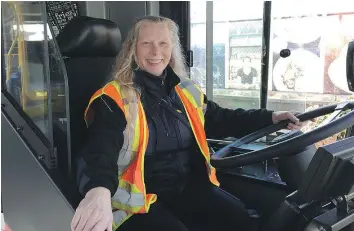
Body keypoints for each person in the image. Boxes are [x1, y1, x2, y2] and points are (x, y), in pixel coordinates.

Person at [71, 16, 308, 231]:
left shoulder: (185, 91)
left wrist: (270, 117)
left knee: (240, 219)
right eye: (147, 43)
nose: (156, 51)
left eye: (163, 43)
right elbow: (100, 149)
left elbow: (220, 119)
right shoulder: (113, 98)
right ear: (133, 50)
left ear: (172, 49)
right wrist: (98, 191)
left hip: (187, 186)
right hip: (140, 199)